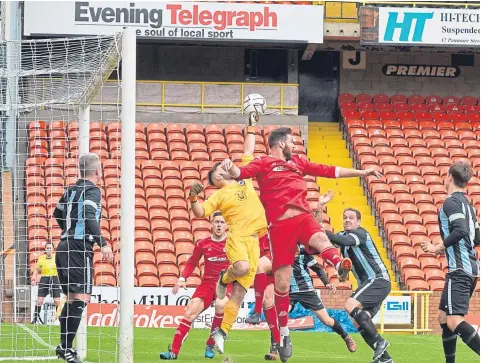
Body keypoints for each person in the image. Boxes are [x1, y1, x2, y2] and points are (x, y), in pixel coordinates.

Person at [221, 127, 381, 361]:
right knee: (283, 284)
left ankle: (338, 265)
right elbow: (241, 172)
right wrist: (229, 167)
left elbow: (330, 170)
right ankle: (284, 333)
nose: (295, 145)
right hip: (279, 228)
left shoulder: (299, 162)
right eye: (291, 142)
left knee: (320, 238)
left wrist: (362, 172)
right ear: (280, 144)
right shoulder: (264, 162)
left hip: (303, 216)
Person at [189, 113, 278, 355]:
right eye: (218, 170)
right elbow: (200, 213)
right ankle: (222, 279)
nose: (222, 169)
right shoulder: (218, 195)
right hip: (237, 238)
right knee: (239, 268)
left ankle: (222, 332)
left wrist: (252, 125)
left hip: (254, 241)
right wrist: (193, 198)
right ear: (217, 178)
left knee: (239, 293)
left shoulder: (244, 179)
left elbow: (248, 150)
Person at [54, 153, 113, 363]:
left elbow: (57, 213)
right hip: (79, 248)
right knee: (81, 298)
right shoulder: (93, 191)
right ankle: (65, 347)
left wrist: (69, 231)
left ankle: (64, 348)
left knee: (71, 299)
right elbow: (88, 215)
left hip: (63, 246)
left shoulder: (70, 190)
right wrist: (103, 243)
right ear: (98, 171)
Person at [421, 161, 480, 362]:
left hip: (460, 269)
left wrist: (437, 246)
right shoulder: (468, 206)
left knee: (455, 321)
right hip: (466, 268)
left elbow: (461, 230)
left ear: (448, 177)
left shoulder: (450, 202)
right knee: (443, 317)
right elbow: (476, 238)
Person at [324, 205, 392, 363]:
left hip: (378, 280)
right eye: (345, 217)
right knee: (358, 320)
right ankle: (386, 359)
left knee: (350, 304)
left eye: (351, 218)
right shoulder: (343, 238)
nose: (347, 220)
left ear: (359, 222)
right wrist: (343, 273)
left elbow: (339, 239)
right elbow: (332, 243)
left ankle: (380, 342)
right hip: (368, 284)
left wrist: (321, 231)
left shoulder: (360, 234)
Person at [160, 212, 230, 360]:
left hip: (224, 283)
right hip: (207, 284)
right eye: (216, 222)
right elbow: (192, 263)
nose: (219, 225)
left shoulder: (232, 244)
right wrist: (182, 278)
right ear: (211, 224)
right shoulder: (202, 243)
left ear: (227, 226)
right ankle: (173, 351)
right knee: (189, 312)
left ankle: (210, 345)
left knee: (220, 305)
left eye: (222, 222)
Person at [31, 242, 62, 324]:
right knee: (39, 300)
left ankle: (59, 319)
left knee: (57, 301)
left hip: (54, 278)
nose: (49, 249)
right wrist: (34, 277)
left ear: (53, 249)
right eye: (47, 248)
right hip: (44, 278)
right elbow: (37, 269)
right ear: (45, 249)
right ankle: (35, 318)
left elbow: (61, 268)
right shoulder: (41, 258)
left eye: (50, 248)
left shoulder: (56, 257)